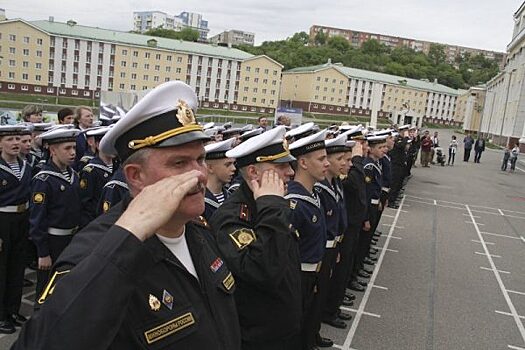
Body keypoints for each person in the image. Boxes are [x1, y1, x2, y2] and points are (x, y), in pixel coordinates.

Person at [13, 81, 241, 349]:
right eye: (179, 163)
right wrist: (126, 240)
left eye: (201, 159)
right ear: (136, 176)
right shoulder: (95, 252)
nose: (199, 175)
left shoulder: (198, 230)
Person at [210, 126, 301, 350]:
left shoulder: (273, 205)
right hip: (257, 338)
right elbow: (263, 270)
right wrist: (271, 207)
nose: (290, 172)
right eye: (281, 166)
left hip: (283, 329)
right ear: (253, 172)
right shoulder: (233, 217)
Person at [29, 127, 82, 303]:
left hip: (71, 238)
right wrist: (43, 252)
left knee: (65, 285)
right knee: (46, 289)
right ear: (53, 150)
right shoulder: (44, 179)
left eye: (74, 147)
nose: (73, 152)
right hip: (53, 241)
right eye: (67, 148)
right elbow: (37, 220)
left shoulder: (73, 175)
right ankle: (39, 325)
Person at [287, 129, 330, 350]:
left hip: (310, 274)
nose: (327, 164)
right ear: (303, 163)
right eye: (321, 159)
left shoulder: (312, 194)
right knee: (293, 329)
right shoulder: (293, 203)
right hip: (297, 278)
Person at [0, 125, 32, 334]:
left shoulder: (26, 165)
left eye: (18, 139)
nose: (15, 143)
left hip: (22, 218)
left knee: (17, 266)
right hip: (3, 220)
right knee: (2, 269)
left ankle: (13, 309)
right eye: (10, 139)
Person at [79, 127, 114, 227]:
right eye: (109, 144)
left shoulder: (117, 166)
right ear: (98, 145)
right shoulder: (91, 170)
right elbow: (85, 202)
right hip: (96, 222)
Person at [203, 138, 236, 221]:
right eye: (227, 165)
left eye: (233, 164)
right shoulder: (200, 203)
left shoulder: (231, 196)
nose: (234, 168)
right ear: (210, 168)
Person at [73, 106, 95, 171]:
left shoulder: (94, 133)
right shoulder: (75, 134)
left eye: (92, 116)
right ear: (78, 119)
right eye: (87, 116)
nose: (91, 118)